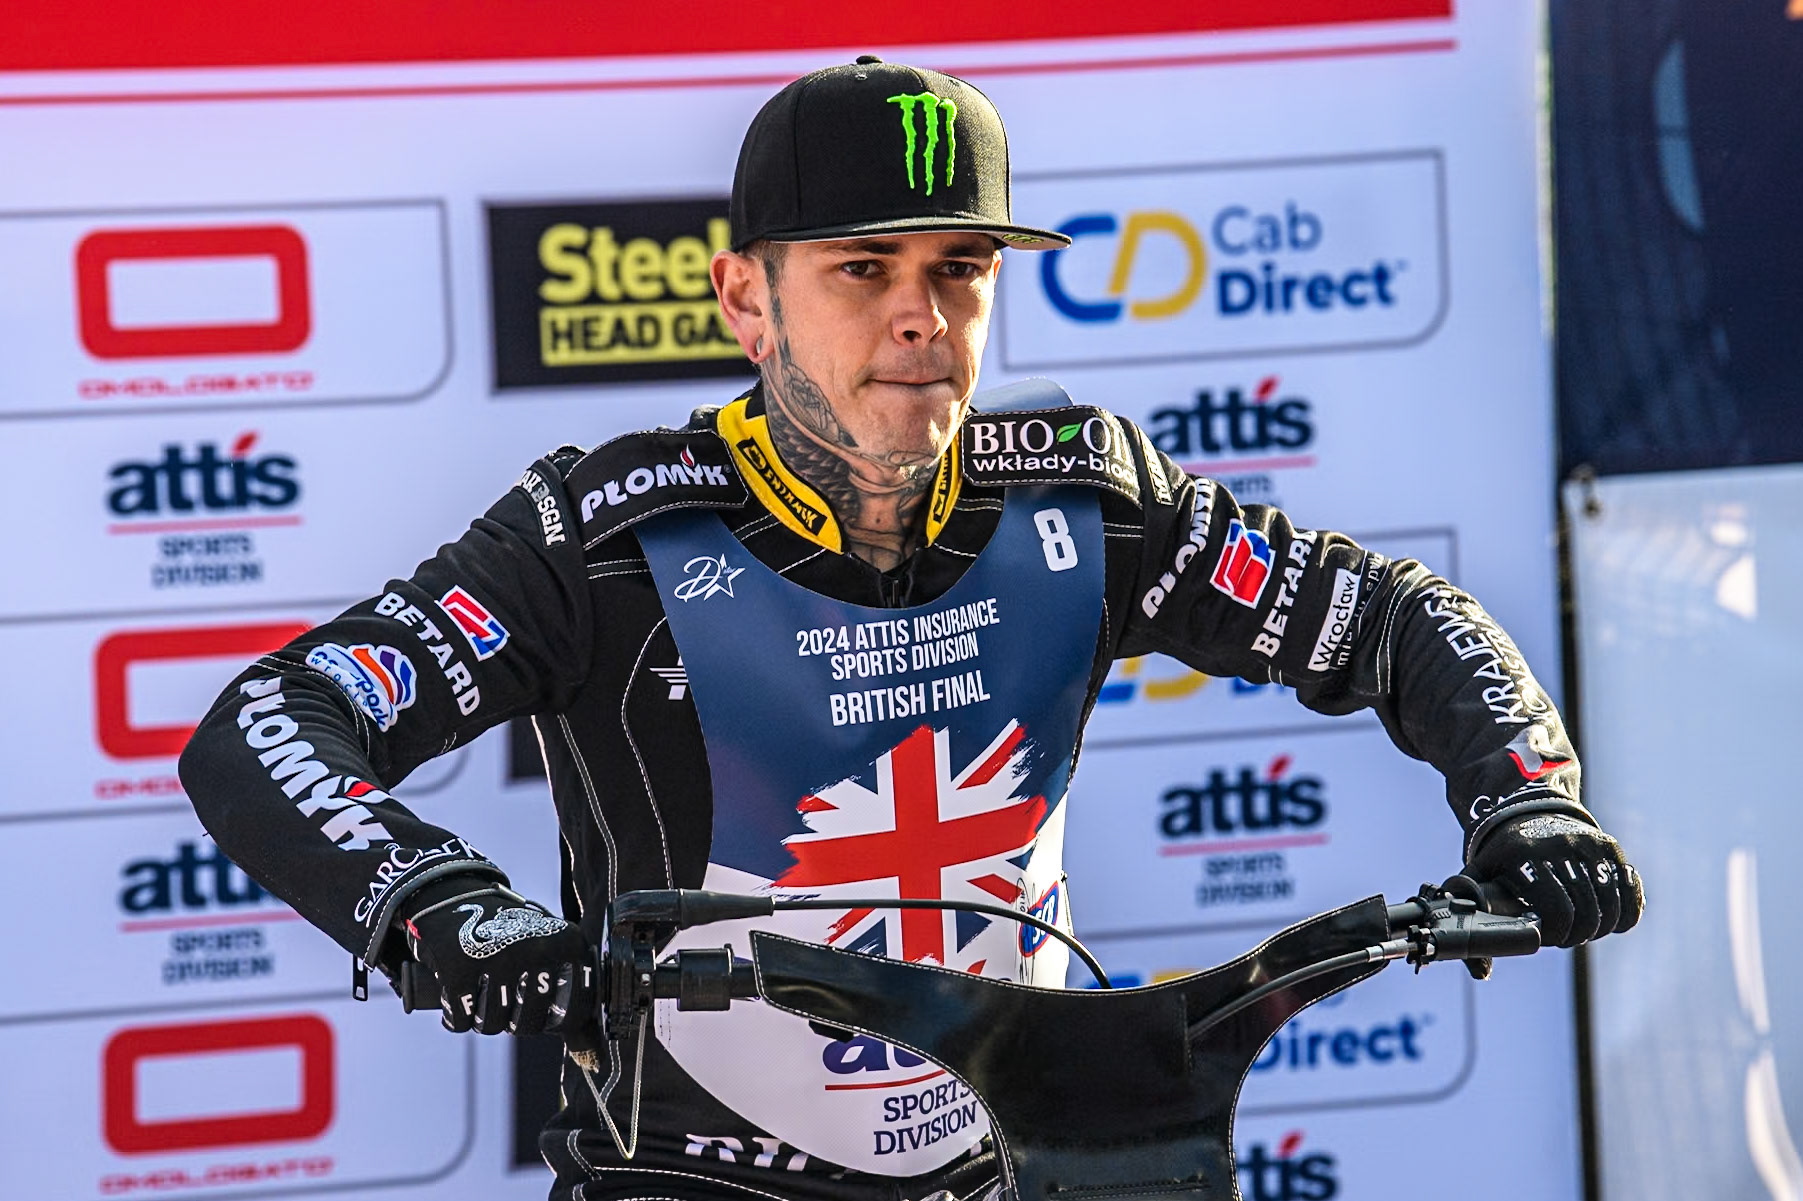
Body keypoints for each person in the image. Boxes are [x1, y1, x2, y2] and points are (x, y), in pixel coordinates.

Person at [179, 57, 1642, 1201]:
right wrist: (446, 907)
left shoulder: (1081, 497)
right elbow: (271, 723)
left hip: (1030, 1157)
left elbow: (1392, 613)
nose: (920, 317)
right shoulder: (603, 539)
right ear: (746, 298)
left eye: (960, 267)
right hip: (688, 1174)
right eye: (862, 268)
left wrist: (1528, 795)